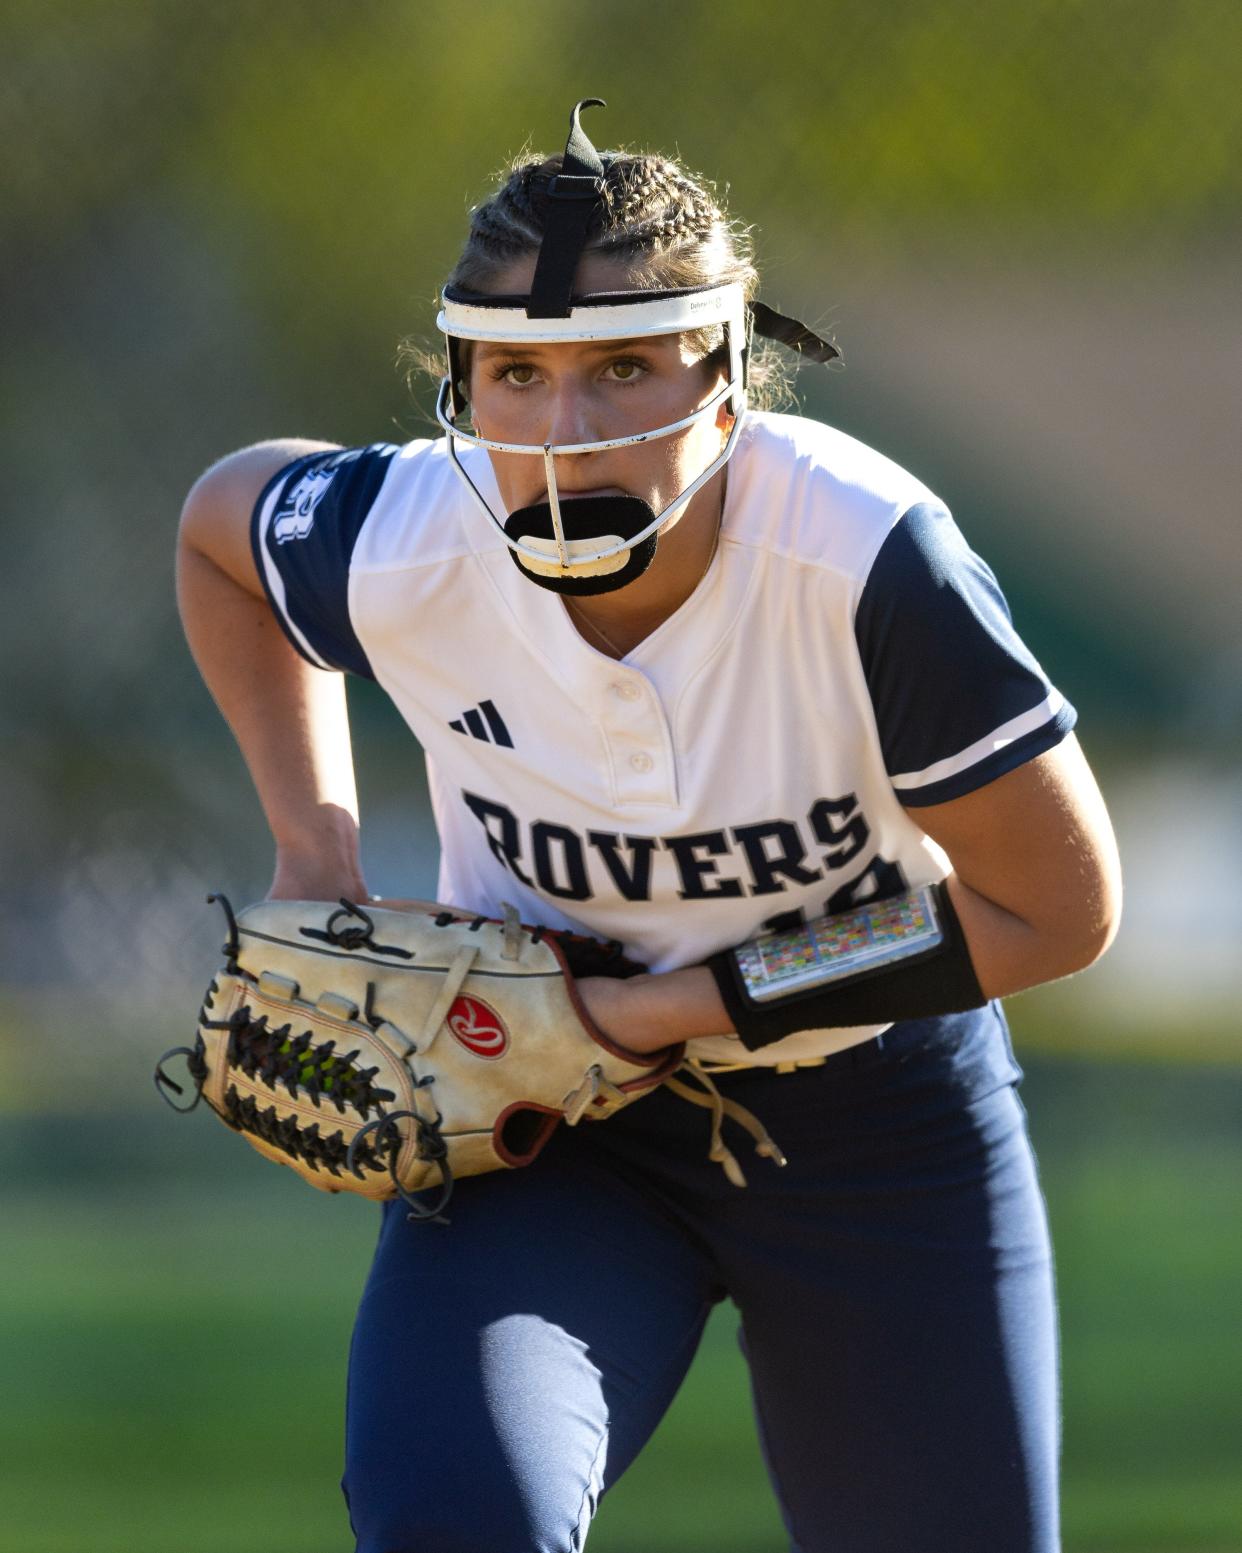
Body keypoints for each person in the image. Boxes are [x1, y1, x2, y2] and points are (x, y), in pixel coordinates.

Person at [177, 99, 1121, 1553]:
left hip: (870, 1116)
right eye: (514, 374)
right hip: (548, 1126)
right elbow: (219, 530)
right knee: (454, 1522)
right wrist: (318, 851)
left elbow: (1053, 911)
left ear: (729, 381)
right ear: (459, 385)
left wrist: (667, 1005)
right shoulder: (410, 533)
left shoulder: (863, 557)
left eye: (624, 366)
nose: (564, 429)